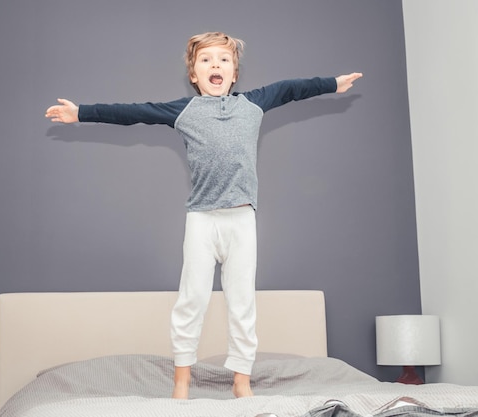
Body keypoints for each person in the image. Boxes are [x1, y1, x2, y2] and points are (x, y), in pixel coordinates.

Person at [45, 31, 362, 400]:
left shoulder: (255, 103)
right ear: (194, 75)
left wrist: (332, 84)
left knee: (243, 304)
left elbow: (291, 88)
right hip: (202, 221)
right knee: (191, 300)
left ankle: (241, 382)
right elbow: (132, 113)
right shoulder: (183, 111)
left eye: (223, 60)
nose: (216, 65)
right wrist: (81, 112)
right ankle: (181, 383)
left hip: (243, 222)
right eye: (206, 60)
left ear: (235, 72)